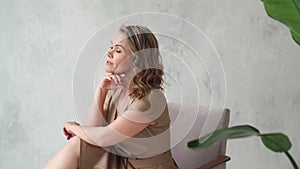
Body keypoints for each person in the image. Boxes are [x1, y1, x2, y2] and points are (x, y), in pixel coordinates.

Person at [43, 25, 179, 169]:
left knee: (78, 143)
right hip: (120, 163)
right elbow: (93, 133)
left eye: (118, 50)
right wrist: (101, 92)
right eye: (111, 47)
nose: (109, 53)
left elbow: (103, 137)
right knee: (80, 145)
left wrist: (73, 127)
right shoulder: (115, 90)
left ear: (136, 59)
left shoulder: (151, 99)